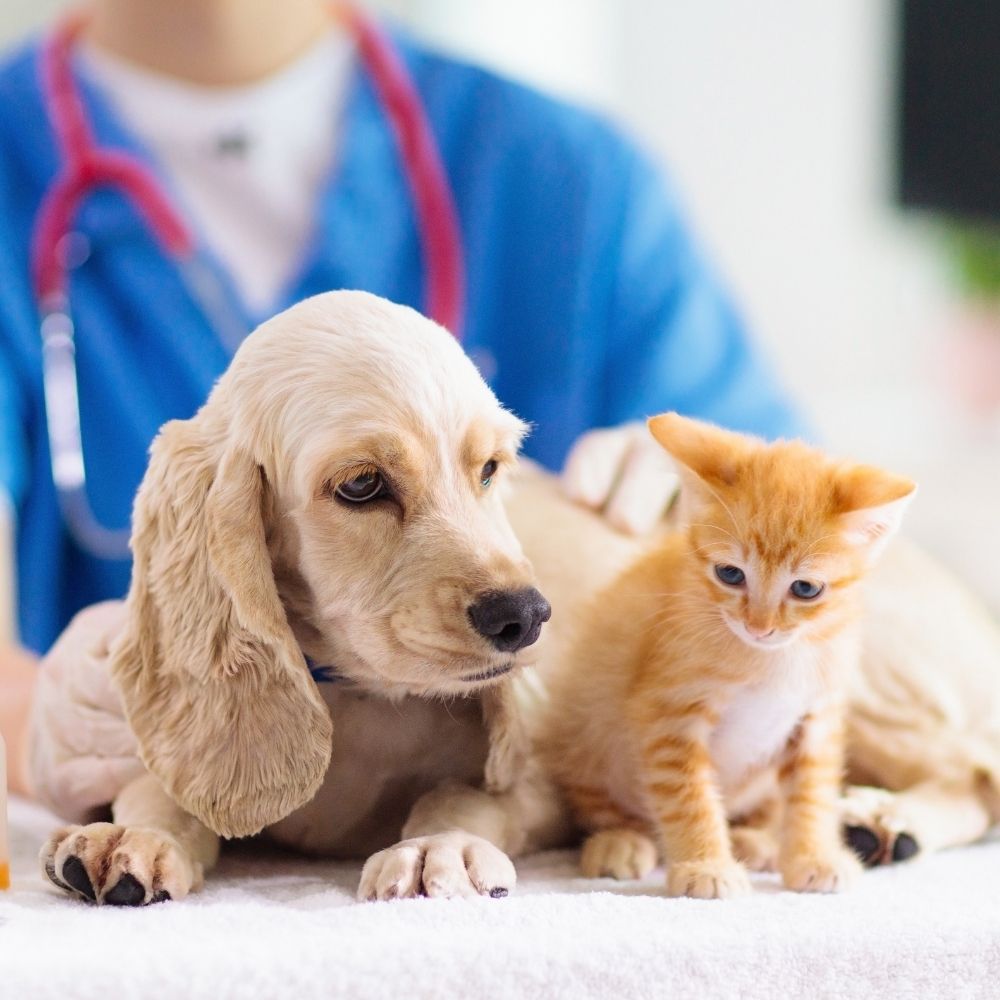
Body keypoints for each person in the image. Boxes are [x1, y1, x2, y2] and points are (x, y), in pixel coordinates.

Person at [0, 0, 801, 796]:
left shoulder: (571, 181)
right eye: (362, 483)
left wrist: (720, 518)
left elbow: (825, 559)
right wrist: (36, 717)